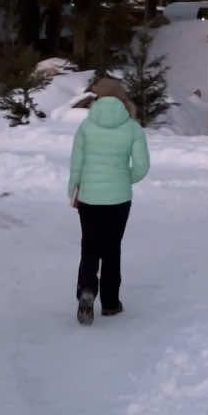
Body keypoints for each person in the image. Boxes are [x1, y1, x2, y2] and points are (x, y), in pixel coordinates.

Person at [68, 78, 150, 325]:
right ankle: (111, 304)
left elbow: (77, 163)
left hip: (89, 198)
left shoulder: (86, 126)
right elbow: (143, 166)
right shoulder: (132, 128)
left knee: (90, 246)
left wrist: (74, 188)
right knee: (112, 248)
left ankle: (86, 290)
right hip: (119, 199)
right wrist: (125, 179)